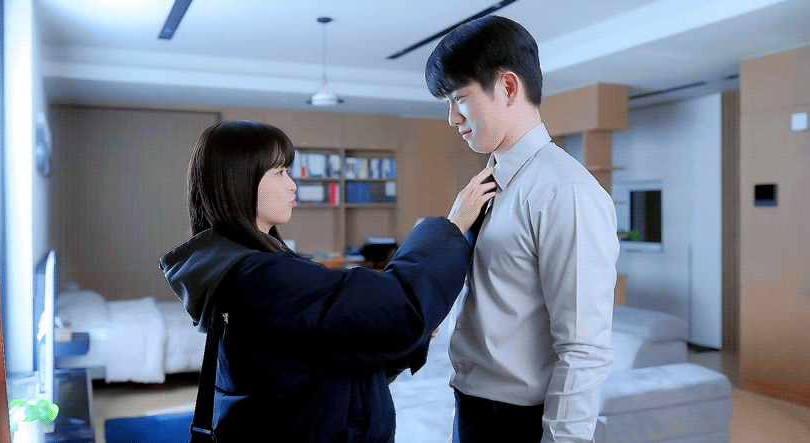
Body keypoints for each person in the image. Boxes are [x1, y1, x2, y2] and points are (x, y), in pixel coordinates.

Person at [158, 120, 496, 442]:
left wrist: (400, 334)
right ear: (239, 182)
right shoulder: (263, 279)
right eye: (280, 172)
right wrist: (453, 225)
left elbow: (332, 355)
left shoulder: (235, 270)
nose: (292, 184)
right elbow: (401, 303)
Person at [425, 16, 620, 443]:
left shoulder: (565, 192)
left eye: (459, 99)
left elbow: (583, 347)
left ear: (509, 87)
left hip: (518, 422)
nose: (452, 118)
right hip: (471, 406)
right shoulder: (485, 186)